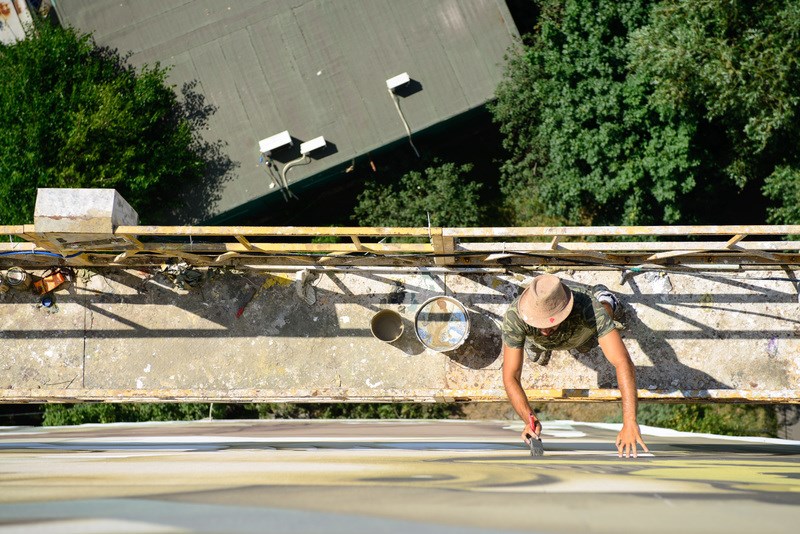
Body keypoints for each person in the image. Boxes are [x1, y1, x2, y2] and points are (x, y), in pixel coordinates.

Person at [501, 273, 649, 458]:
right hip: (538, 343)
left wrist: (630, 421)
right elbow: (511, 376)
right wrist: (529, 417)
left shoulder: (587, 307)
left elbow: (622, 362)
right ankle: (546, 341)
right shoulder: (515, 317)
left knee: (595, 332)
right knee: (536, 357)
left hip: (580, 333)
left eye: (550, 323)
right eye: (540, 323)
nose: (545, 330)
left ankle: (606, 299)